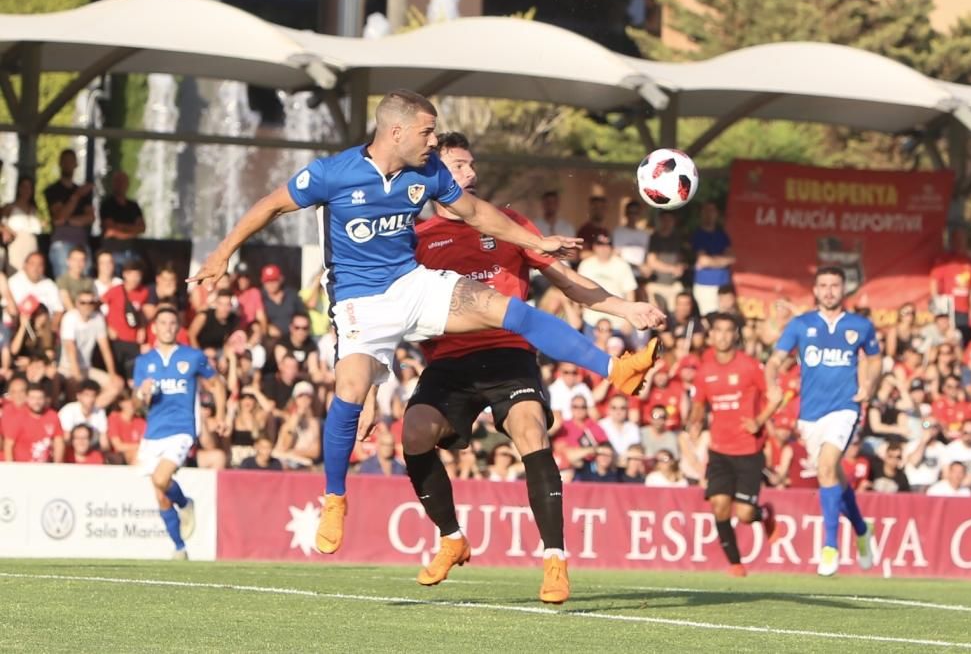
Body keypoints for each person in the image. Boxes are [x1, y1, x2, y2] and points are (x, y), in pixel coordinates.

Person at [189, 90, 662, 564]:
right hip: (360, 302)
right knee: (350, 391)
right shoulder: (332, 173)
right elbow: (269, 206)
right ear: (396, 132)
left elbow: (477, 213)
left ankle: (615, 369)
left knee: (509, 310)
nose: (433, 140)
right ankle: (334, 498)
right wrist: (222, 254)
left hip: (413, 284)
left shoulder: (427, 172)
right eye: (427, 131)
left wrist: (538, 241)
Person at [401, 131, 664, 604]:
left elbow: (568, 281)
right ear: (436, 175)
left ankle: (555, 561)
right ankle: (451, 538)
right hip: (451, 360)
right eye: (460, 166)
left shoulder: (509, 225)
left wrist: (627, 309)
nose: (471, 174)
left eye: (471, 165)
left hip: (509, 354)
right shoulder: (417, 239)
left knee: (530, 430)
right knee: (414, 432)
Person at [766, 266, 880, 576]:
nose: (829, 290)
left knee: (828, 467)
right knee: (833, 477)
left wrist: (868, 384)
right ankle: (860, 529)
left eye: (835, 285)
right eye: (823, 285)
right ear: (815, 290)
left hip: (845, 407)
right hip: (810, 414)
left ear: (844, 289)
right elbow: (775, 360)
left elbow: (874, 358)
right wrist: (771, 382)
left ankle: (830, 547)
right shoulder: (801, 325)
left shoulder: (860, 325)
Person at [689, 313, 778, 577]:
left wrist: (759, 420)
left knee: (745, 515)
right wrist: (694, 422)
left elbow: (776, 396)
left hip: (748, 451)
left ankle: (763, 515)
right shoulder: (704, 371)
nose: (724, 336)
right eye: (719, 331)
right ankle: (735, 563)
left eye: (729, 331)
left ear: (736, 335)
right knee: (718, 505)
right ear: (711, 335)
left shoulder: (749, 366)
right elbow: (698, 405)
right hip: (719, 450)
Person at [133, 306, 226, 559]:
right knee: (160, 494)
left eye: (172, 322)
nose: (167, 327)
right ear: (154, 328)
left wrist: (220, 415)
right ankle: (179, 548)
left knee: (161, 479)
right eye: (162, 322)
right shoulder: (144, 362)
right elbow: (136, 405)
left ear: (178, 327)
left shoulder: (192, 356)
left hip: (182, 429)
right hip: (153, 432)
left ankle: (185, 504)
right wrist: (142, 393)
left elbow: (217, 384)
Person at [44, 148, 94, 277]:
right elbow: (59, 217)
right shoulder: (53, 190)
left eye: (71, 161)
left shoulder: (84, 192)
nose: (68, 164)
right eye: (65, 161)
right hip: (61, 244)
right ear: (60, 163)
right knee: (64, 284)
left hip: (82, 244)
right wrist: (76, 196)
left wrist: (68, 220)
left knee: (84, 284)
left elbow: (90, 218)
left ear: (76, 164)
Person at [690, 202, 734, 316]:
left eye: (712, 211)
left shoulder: (722, 235)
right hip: (705, 285)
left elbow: (731, 258)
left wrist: (712, 261)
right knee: (710, 318)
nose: (709, 214)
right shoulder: (698, 234)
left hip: (724, 285)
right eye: (706, 211)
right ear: (701, 214)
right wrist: (722, 261)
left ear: (716, 214)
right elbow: (703, 261)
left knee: (725, 318)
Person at [2, 383, 64, 462]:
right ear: (27, 398)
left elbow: (58, 442)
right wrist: (10, 468)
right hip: (22, 467)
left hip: (45, 467)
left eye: (40, 398)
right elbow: (8, 445)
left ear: (45, 399)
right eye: (33, 398)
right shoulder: (18, 417)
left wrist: (57, 467)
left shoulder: (52, 416)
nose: (36, 402)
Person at [99, 170, 145, 268]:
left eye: (123, 181)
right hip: (114, 252)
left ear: (127, 184)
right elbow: (110, 229)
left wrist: (120, 227)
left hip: (133, 251)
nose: (120, 184)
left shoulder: (133, 205)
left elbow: (142, 228)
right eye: (118, 181)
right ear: (113, 184)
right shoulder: (107, 204)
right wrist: (133, 231)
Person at [0, 175, 44, 272]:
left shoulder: (34, 209)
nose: (26, 190)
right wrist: (6, 229)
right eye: (24, 187)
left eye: (29, 187)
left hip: (32, 246)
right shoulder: (9, 207)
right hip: (16, 246)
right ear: (19, 188)